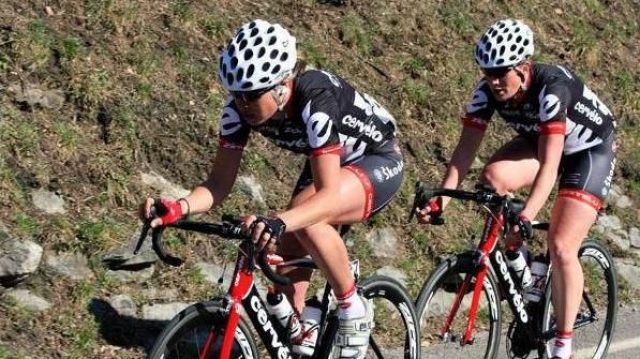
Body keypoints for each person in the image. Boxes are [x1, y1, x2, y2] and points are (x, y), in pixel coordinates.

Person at [140, 19, 404, 359]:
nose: (242, 103)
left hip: (377, 158)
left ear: (281, 86)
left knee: (305, 215)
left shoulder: (315, 99)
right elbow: (218, 185)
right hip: (329, 162)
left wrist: (279, 221)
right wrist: (177, 207)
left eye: (250, 94)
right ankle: (302, 334)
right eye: (235, 94)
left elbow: (326, 197)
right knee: (292, 245)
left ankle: (352, 306)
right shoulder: (236, 112)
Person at [416, 19, 616, 359]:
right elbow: (465, 153)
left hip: (588, 152)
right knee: (492, 181)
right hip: (540, 142)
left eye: (501, 72)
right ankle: (521, 264)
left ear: (523, 67)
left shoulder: (551, 89)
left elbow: (551, 167)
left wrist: (527, 214)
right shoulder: (486, 92)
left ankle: (563, 347)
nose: (493, 81)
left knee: (562, 245)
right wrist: (442, 201)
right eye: (487, 71)